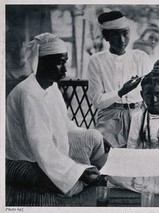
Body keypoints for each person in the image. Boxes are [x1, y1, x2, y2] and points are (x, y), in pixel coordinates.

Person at [6, 33, 107, 197]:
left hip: (45, 152)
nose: (65, 69)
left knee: (94, 137)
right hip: (23, 160)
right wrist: (77, 172)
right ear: (42, 64)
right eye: (60, 63)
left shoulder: (51, 87)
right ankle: (84, 172)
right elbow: (41, 146)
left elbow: (65, 124)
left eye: (65, 62)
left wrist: (98, 138)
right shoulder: (28, 93)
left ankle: (87, 171)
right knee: (71, 186)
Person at [108, 63, 159, 194]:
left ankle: (152, 187)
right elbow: (132, 147)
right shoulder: (138, 117)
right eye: (148, 94)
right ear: (142, 94)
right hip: (144, 164)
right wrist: (139, 162)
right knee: (113, 174)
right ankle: (157, 188)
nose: (154, 99)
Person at [86, 10, 152, 148]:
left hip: (139, 115)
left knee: (141, 158)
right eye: (115, 34)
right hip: (110, 118)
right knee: (107, 157)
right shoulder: (96, 61)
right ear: (106, 37)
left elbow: (153, 88)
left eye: (124, 33)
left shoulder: (140, 57)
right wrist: (121, 92)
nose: (122, 40)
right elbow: (97, 101)